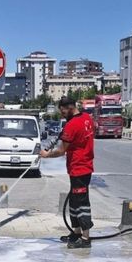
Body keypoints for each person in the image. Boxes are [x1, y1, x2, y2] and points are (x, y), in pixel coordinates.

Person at [40, 97, 95, 249]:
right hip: (82, 167)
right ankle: (76, 232)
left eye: (63, 111)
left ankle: (85, 238)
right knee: (74, 202)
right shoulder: (86, 118)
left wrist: (46, 155)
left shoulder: (72, 125)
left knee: (82, 203)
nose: (62, 114)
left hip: (79, 168)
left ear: (70, 107)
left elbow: (61, 150)